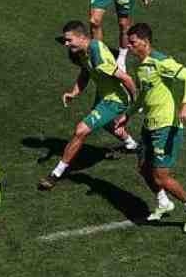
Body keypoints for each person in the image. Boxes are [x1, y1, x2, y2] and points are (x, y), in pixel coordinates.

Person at [40, 20, 140, 191]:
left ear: (81, 37)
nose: (66, 44)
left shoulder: (97, 52)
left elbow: (126, 78)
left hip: (115, 99)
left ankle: (56, 173)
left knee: (81, 130)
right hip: (103, 95)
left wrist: (135, 104)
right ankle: (133, 145)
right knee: (107, 124)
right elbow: (85, 72)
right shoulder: (83, 52)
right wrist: (74, 92)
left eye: (69, 40)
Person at [125, 23, 186, 232]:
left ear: (145, 41)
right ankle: (163, 203)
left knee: (161, 176)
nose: (129, 47)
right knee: (142, 168)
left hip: (166, 127)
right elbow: (143, 95)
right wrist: (128, 114)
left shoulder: (161, 61)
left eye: (132, 43)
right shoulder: (140, 66)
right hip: (149, 125)